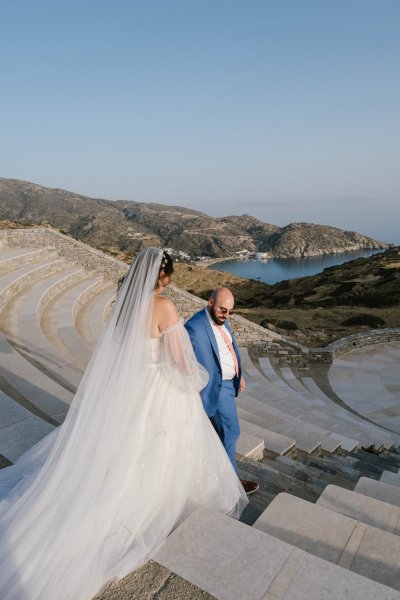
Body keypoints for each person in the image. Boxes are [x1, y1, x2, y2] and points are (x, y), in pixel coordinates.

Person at [0, 248, 247, 600]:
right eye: (169, 277)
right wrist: (197, 379)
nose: (170, 282)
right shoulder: (164, 307)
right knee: (163, 449)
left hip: (132, 389)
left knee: (125, 448)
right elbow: (180, 362)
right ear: (161, 277)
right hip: (161, 390)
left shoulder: (123, 306)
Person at [185, 288, 259, 495]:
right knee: (230, 431)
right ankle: (232, 484)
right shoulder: (194, 328)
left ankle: (219, 477)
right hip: (215, 389)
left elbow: (228, 348)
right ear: (209, 302)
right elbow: (185, 362)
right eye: (222, 310)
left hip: (229, 382)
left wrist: (237, 373)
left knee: (221, 434)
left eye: (230, 312)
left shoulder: (221, 320)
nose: (226, 315)